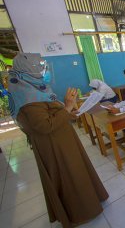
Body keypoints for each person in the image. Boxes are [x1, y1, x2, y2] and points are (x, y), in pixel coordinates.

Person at [8, 53, 108, 228]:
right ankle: (81, 212)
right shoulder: (27, 97)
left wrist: (68, 110)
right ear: (28, 71)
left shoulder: (36, 89)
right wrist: (68, 106)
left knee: (77, 171)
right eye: (40, 68)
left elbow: (51, 114)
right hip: (54, 147)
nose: (45, 71)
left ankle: (91, 200)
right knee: (69, 176)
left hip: (61, 140)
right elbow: (44, 126)